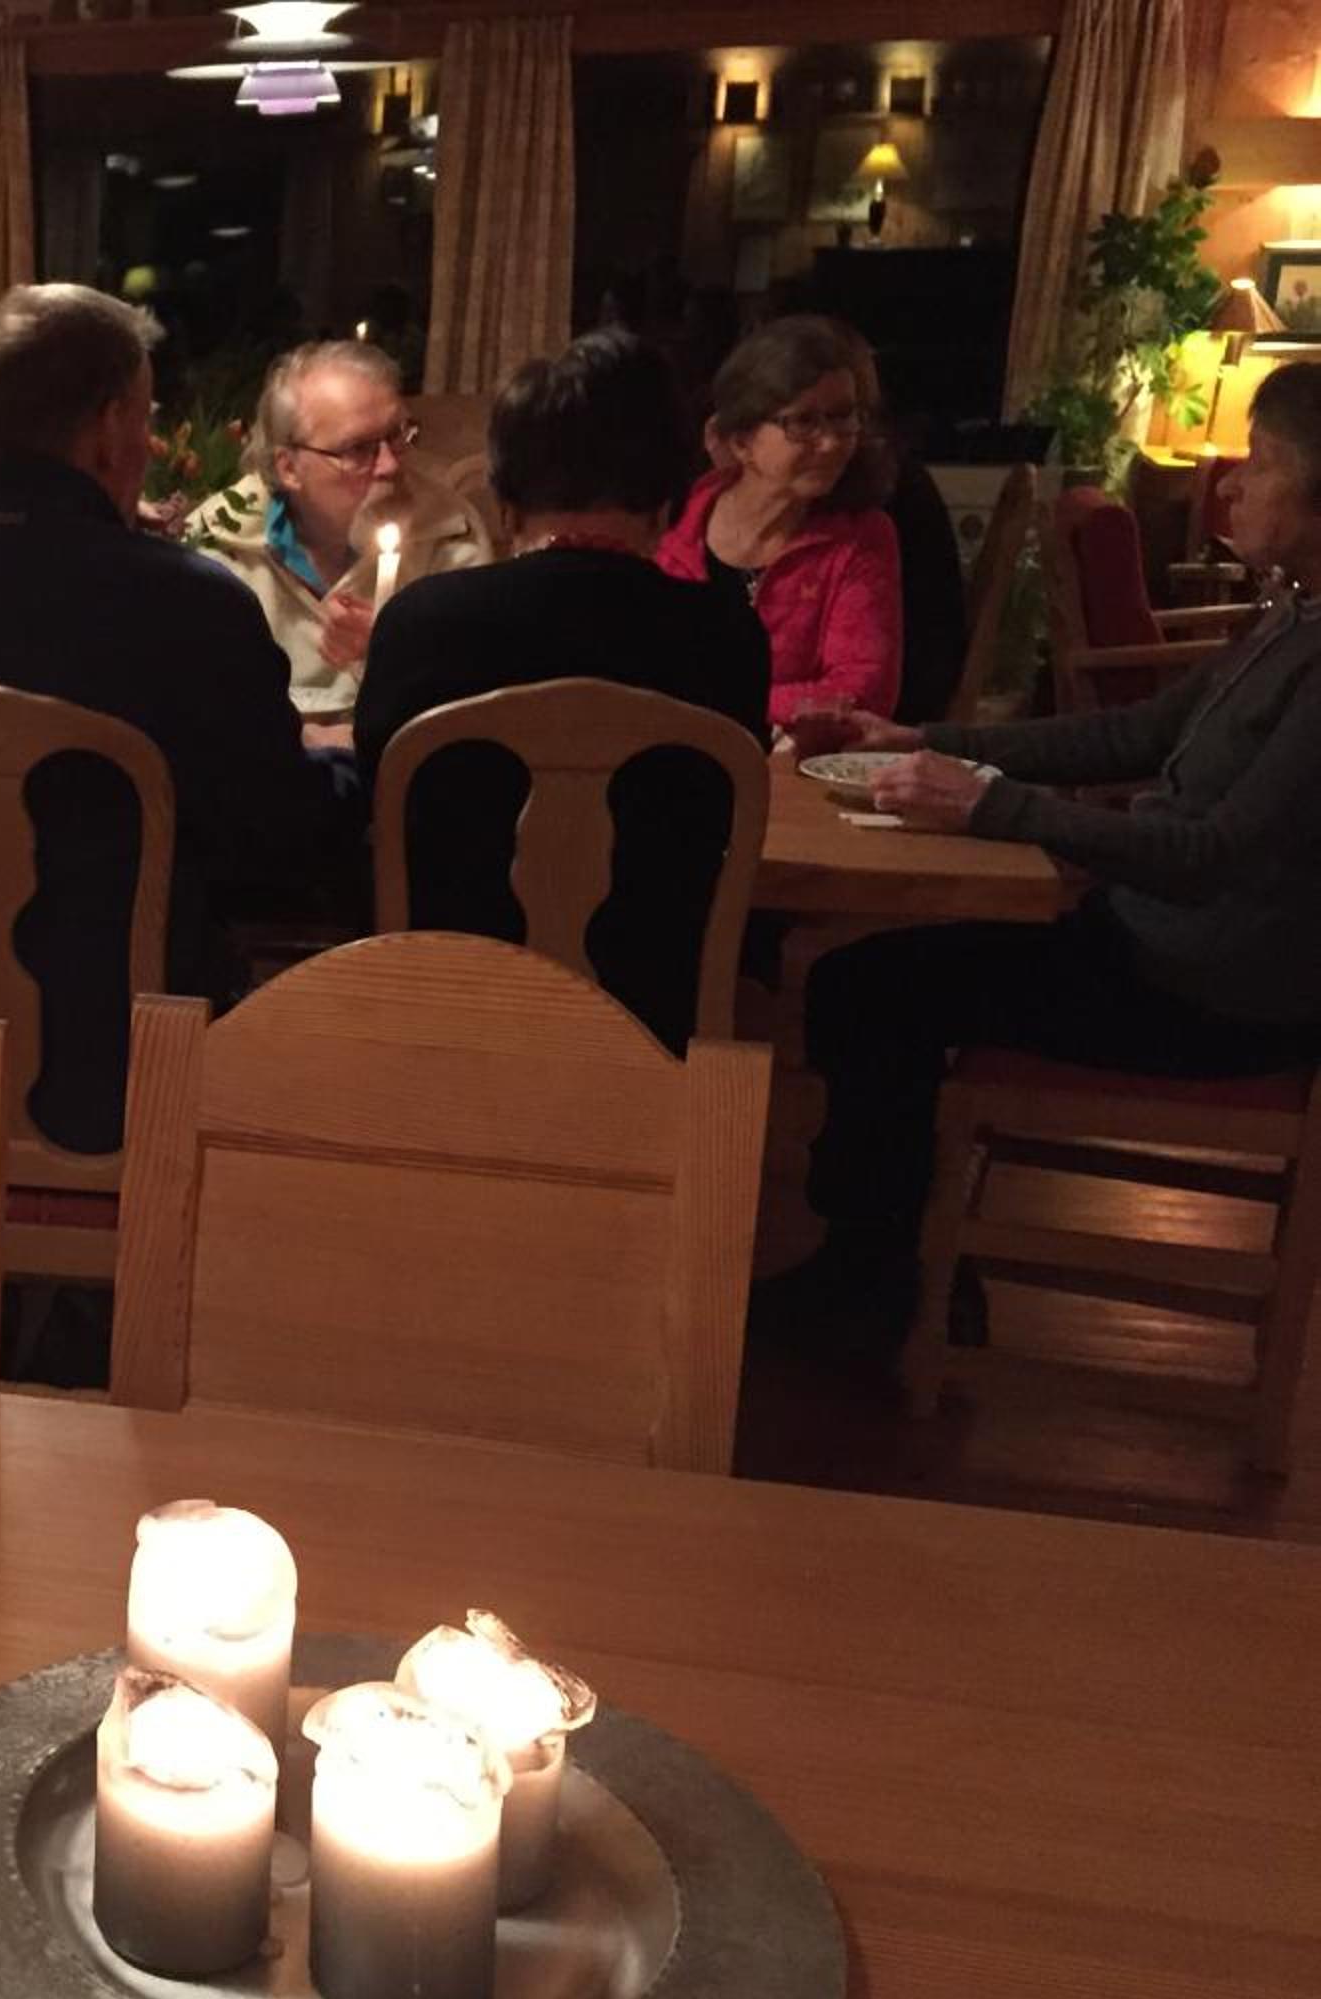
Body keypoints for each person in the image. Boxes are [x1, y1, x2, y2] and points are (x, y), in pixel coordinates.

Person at [775, 360, 1321, 1341]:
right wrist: (925, 740)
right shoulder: (1294, 615)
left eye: (1263, 462)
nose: (1233, 484)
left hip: (1210, 995)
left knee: (869, 988)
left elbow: (1209, 855)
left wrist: (995, 805)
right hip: (1155, 944)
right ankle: (904, 1264)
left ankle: (873, 1284)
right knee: (871, 978)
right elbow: (1135, 733)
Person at [0, 282, 346, 1156]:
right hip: (130, 1078)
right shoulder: (190, 604)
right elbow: (275, 845)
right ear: (109, 430)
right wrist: (343, 766)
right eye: (145, 419)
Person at [352, 330, 770, 1052]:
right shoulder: (724, 635)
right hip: (649, 1031)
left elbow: (377, 804)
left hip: (443, 1020)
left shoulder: (421, 625)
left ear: (506, 500)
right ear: (669, 497)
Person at [204, 339, 492, 721]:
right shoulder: (218, 544)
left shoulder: (450, 534)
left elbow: (476, 702)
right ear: (289, 467)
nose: (390, 465)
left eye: (397, 435)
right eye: (358, 449)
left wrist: (395, 652)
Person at [656, 315, 904, 729]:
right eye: (803, 422)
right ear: (741, 441)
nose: (831, 443)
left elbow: (863, 691)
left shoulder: (862, 536)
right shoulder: (673, 523)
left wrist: (708, 703)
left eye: (842, 417)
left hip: (793, 763)